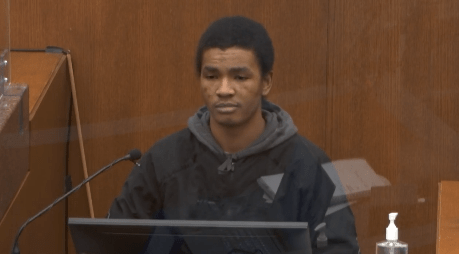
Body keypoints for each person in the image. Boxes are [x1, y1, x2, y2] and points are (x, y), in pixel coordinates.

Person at [108, 16, 359, 254]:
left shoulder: (309, 163)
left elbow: (340, 247)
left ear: (266, 82)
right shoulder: (164, 160)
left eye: (239, 77)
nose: (224, 90)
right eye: (212, 76)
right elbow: (112, 241)